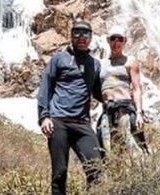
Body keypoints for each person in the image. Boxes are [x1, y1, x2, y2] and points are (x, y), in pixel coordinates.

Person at [37, 19, 104, 195]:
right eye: (77, 33)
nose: (81, 37)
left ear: (91, 37)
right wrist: (44, 117)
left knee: (95, 170)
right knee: (59, 173)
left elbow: (99, 92)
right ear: (71, 35)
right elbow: (46, 86)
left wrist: (120, 98)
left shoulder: (95, 64)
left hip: (82, 123)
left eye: (85, 34)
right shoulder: (59, 58)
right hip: (59, 122)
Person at [99, 25, 150, 153]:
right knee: (110, 150)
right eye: (113, 39)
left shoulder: (130, 62)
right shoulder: (101, 64)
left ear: (125, 41)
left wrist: (139, 113)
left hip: (124, 109)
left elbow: (137, 89)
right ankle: (116, 172)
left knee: (132, 147)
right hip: (107, 110)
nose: (116, 43)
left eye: (120, 39)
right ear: (108, 40)